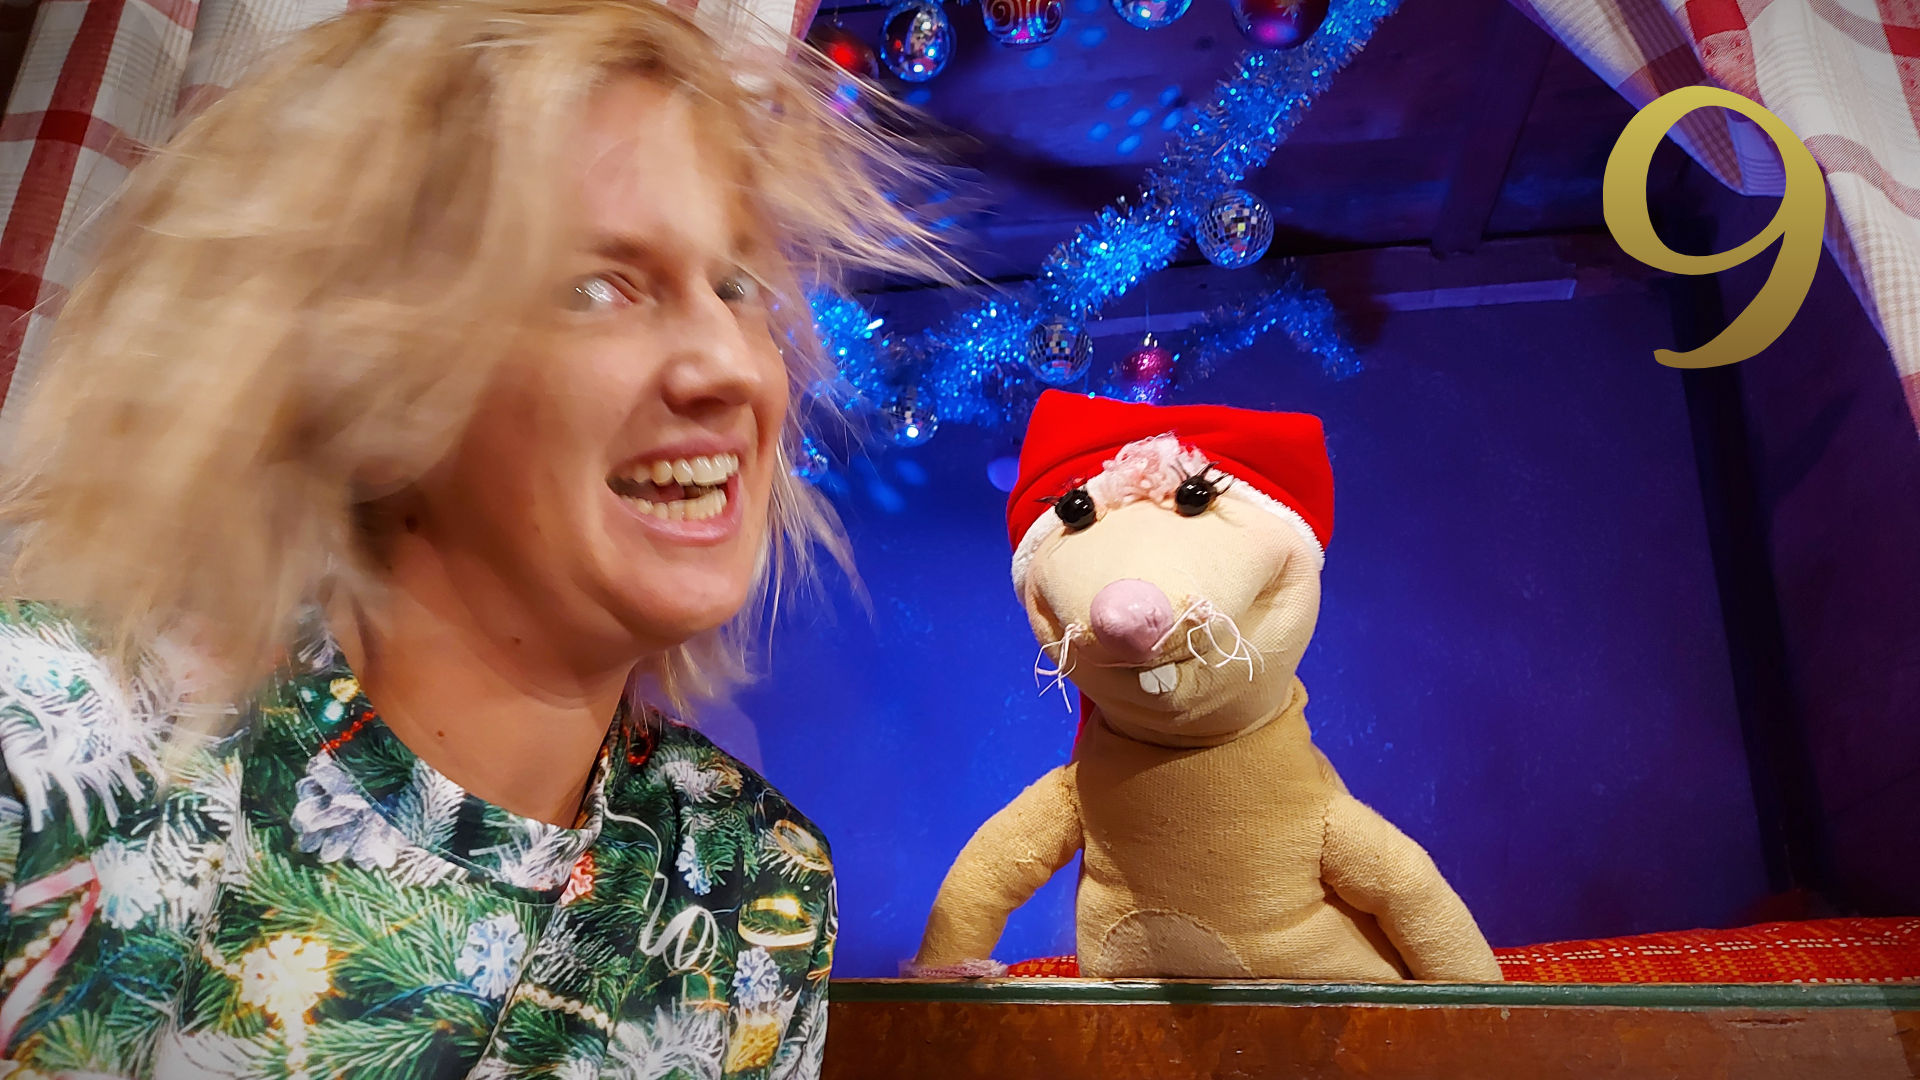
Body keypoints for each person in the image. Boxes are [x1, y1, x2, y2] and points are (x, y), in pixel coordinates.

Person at [0, 0, 943, 1076]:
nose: (729, 365)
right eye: (598, 287)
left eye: (735, 288)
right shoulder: (52, 747)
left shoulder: (757, 884)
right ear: (371, 379)